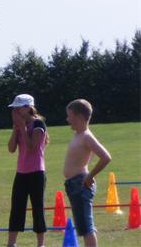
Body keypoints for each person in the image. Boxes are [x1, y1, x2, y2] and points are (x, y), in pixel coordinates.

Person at [63, 99, 112, 247]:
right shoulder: (79, 135)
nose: (67, 119)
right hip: (74, 185)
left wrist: (90, 176)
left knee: (87, 227)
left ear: (79, 117)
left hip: (80, 184)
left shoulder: (86, 136)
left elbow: (106, 157)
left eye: (69, 116)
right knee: (83, 227)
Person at [6, 94, 48, 247]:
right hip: (21, 173)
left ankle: (40, 244)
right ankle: (11, 243)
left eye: (18, 108)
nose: (16, 111)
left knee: (37, 209)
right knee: (16, 208)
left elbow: (31, 147)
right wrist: (15, 129)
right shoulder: (19, 125)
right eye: (14, 108)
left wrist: (23, 128)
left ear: (28, 108)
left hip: (36, 172)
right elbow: (11, 148)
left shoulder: (38, 124)